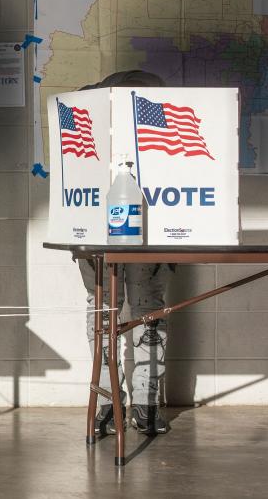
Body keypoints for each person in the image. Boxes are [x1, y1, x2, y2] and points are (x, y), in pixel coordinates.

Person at [79, 70, 173, 435]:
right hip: (132, 232)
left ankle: (111, 402)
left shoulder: (88, 111)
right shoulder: (159, 110)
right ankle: (139, 405)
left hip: (118, 232)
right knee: (144, 307)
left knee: (103, 308)